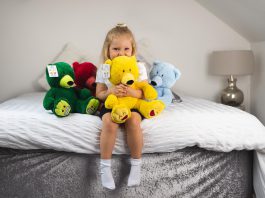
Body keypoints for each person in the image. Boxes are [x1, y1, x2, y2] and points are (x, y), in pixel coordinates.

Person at [96, 23, 147, 190]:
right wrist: (111, 91)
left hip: (132, 104)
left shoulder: (138, 67)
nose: (121, 53)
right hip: (112, 104)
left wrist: (132, 93)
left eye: (126, 49)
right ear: (108, 50)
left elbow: (143, 93)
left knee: (133, 120)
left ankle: (136, 166)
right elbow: (99, 94)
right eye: (116, 49)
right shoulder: (104, 69)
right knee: (110, 122)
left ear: (132, 50)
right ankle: (105, 168)